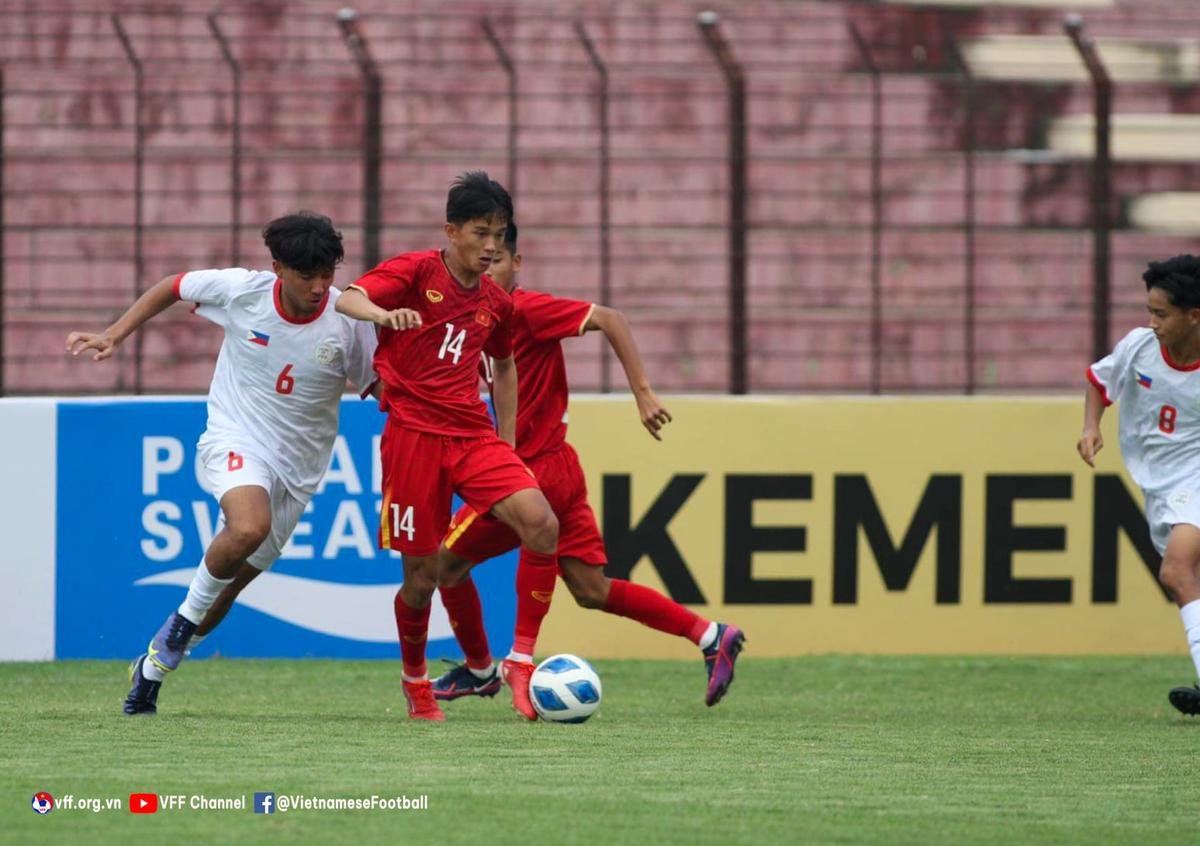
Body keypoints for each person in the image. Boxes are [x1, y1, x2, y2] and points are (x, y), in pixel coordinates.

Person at [65, 212, 379, 715]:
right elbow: (173, 285)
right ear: (277, 267)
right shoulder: (241, 291)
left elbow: (376, 386)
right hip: (236, 436)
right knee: (248, 525)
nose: (320, 286)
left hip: (299, 471)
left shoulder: (348, 318)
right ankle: (175, 633)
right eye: (307, 275)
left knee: (218, 605)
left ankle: (154, 662)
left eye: (327, 273)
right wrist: (116, 333)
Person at [429, 222, 745, 718]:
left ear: (517, 263)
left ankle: (488, 667)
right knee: (591, 589)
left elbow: (610, 318)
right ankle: (709, 635)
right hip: (559, 469)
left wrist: (641, 392)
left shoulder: (527, 309)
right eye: (484, 263)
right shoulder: (479, 317)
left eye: (499, 262)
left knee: (442, 565)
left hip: (530, 475)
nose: (490, 271)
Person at [335, 171, 561, 722]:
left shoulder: (495, 303)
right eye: (481, 233)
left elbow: (503, 366)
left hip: (473, 436)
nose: (491, 247)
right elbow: (349, 300)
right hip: (413, 437)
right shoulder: (416, 272)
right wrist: (385, 315)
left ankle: (521, 661)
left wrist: (506, 443)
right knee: (422, 578)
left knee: (542, 523)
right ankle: (415, 681)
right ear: (451, 229)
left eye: (500, 236)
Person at [1080, 254, 1200, 716]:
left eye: (1161, 314)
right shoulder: (1138, 347)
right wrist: (1092, 428)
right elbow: (1098, 381)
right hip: (1160, 487)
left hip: (1195, 479)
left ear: (1194, 315)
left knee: (1175, 573)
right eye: (1149, 311)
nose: (1151, 322)